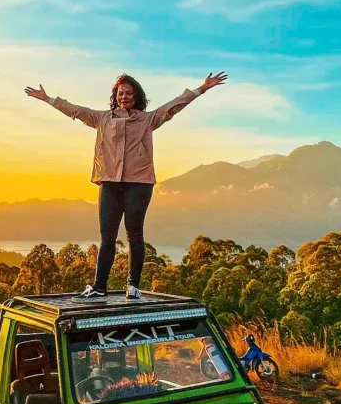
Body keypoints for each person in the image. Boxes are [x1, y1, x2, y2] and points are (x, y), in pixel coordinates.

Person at [25, 71, 228, 301]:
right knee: (107, 237)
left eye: (129, 93)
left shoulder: (147, 119)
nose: (124, 96)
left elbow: (173, 106)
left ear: (136, 95)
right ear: (115, 95)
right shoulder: (103, 118)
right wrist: (48, 99)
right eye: (121, 93)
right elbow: (76, 110)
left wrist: (201, 88)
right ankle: (98, 286)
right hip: (110, 182)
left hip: (139, 183)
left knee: (134, 234)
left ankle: (133, 286)